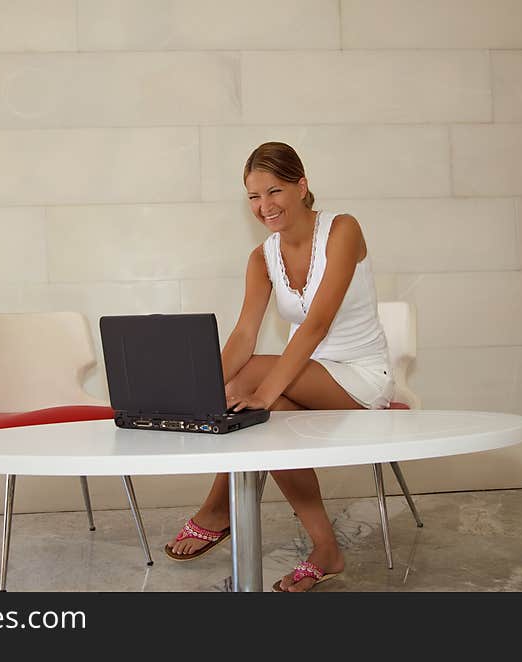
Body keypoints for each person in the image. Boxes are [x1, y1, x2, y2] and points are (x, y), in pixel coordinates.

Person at [165, 141, 394, 592]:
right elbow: (244, 335)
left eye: (274, 191)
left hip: (360, 378)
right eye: (253, 196)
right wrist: (199, 390)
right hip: (303, 377)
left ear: (301, 186)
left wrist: (261, 392)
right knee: (268, 418)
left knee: (253, 388)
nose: (264, 205)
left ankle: (218, 508)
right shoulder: (261, 257)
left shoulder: (343, 230)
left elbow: (316, 324)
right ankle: (326, 549)